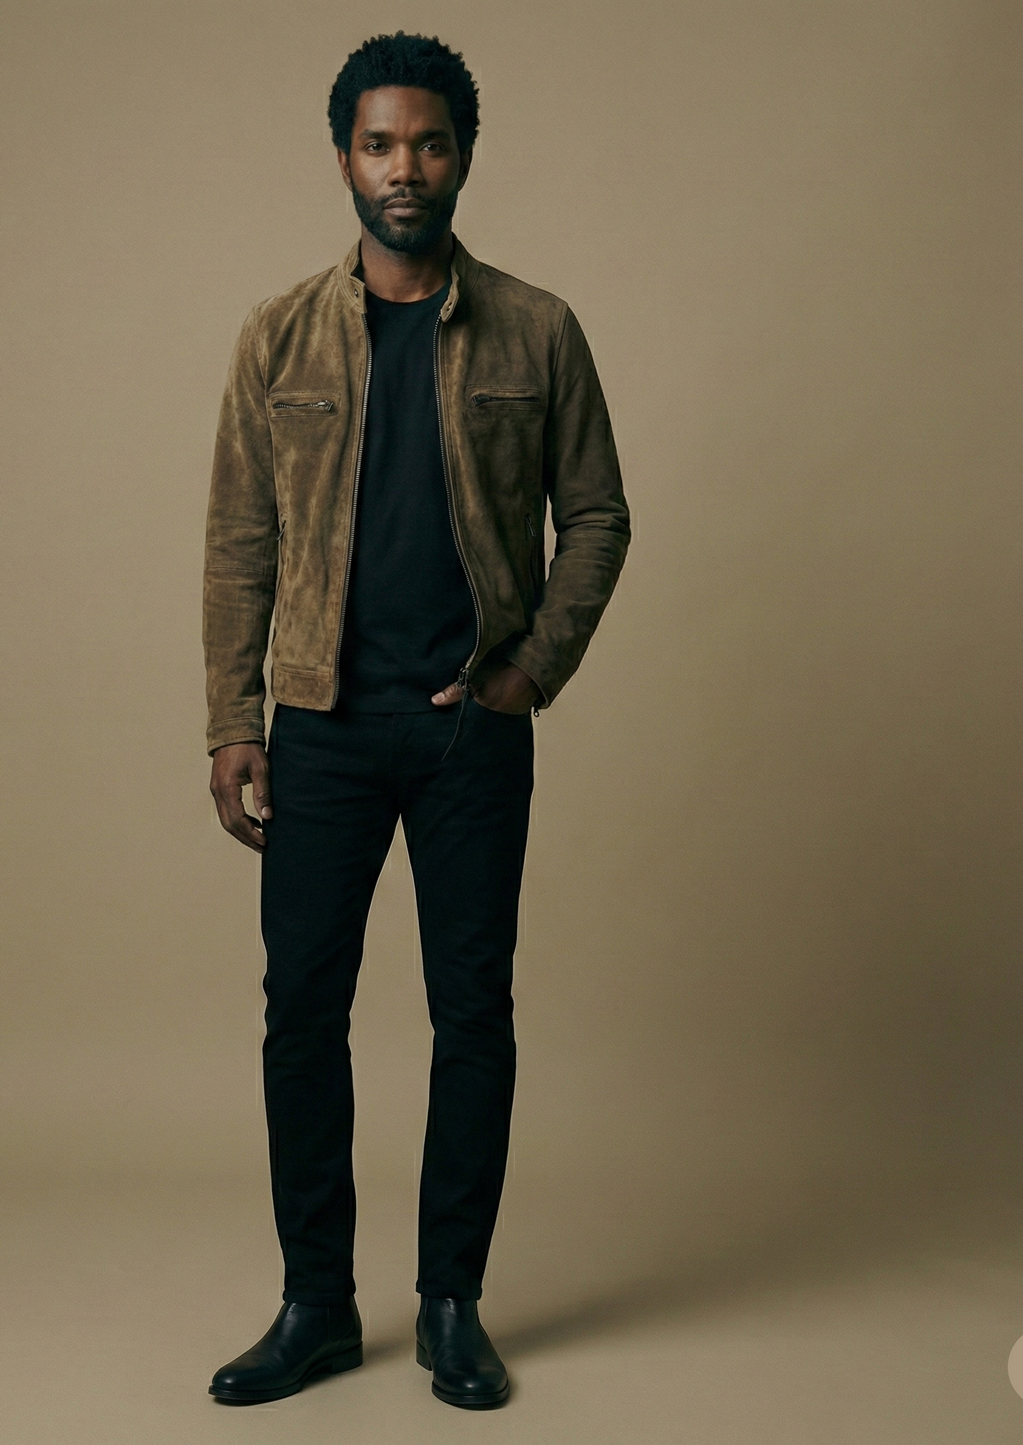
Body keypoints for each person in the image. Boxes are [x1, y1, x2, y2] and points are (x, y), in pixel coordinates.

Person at [202, 31, 629, 1410]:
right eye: (380, 144)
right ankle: (317, 1305)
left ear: (463, 157)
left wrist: (532, 670)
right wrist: (233, 719)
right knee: (300, 1019)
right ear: (344, 158)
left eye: (430, 143)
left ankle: (453, 1305)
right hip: (319, 722)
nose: (406, 168)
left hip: (465, 733)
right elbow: (240, 539)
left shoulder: (535, 328)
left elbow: (600, 516)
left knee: (472, 1019)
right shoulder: (278, 335)